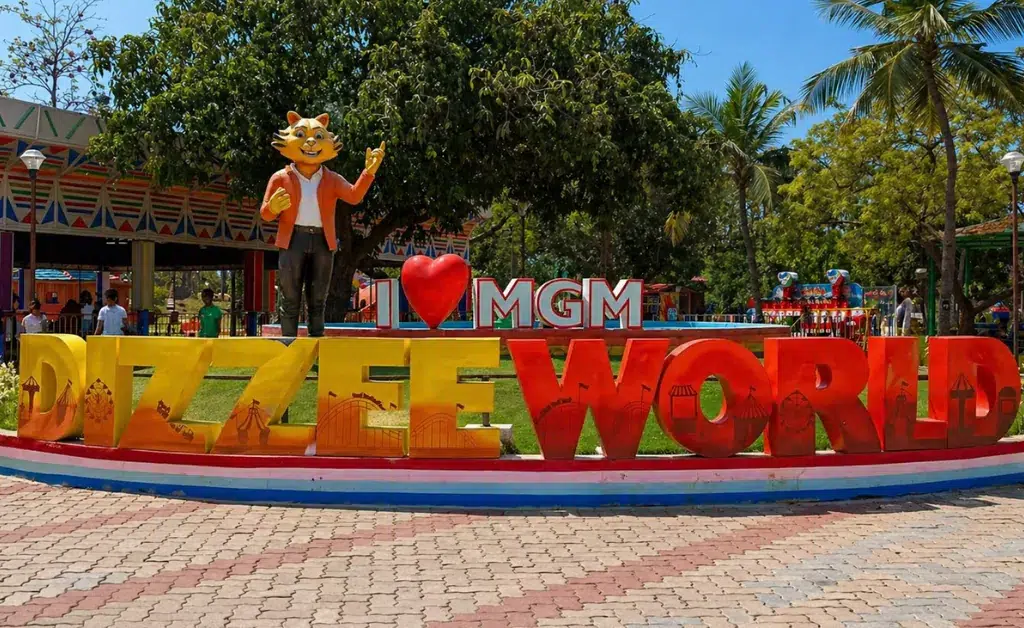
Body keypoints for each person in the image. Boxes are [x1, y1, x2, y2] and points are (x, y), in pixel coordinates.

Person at [260, 111, 385, 337]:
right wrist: (273, 208)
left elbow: (354, 196)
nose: (310, 142)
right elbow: (265, 213)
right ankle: (289, 347)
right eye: (300, 134)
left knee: (318, 301)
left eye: (318, 136)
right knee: (290, 299)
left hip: (322, 241)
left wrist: (368, 173)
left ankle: (316, 349)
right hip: (292, 240)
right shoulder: (280, 177)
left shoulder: (332, 179)